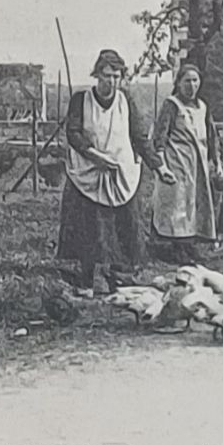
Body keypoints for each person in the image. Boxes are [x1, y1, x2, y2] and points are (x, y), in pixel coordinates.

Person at [59, 49, 173, 295]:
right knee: (89, 225)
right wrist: (93, 155)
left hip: (119, 173)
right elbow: (73, 133)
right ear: (97, 75)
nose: (110, 81)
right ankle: (86, 281)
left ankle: (119, 279)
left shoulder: (125, 101)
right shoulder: (81, 99)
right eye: (106, 75)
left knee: (124, 224)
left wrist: (159, 166)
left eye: (116, 76)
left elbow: (140, 138)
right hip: (89, 171)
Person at [150, 64, 221, 259]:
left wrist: (217, 161)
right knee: (177, 203)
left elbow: (212, 134)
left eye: (195, 80)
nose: (192, 85)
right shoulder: (171, 104)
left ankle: (191, 245)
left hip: (198, 161)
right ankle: (176, 247)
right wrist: (162, 163)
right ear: (178, 83)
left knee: (194, 202)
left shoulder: (203, 106)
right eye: (187, 81)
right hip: (177, 159)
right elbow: (160, 135)